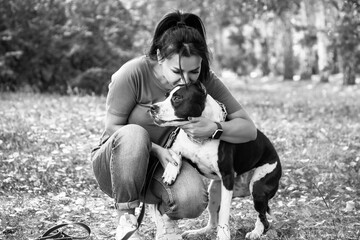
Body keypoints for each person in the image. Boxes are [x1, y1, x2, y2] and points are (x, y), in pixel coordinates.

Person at [91, 10, 257, 240]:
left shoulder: (203, 83)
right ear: (160, 56)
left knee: (193, 198)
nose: (186, 80)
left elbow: (249, 129)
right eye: (177, 72)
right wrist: (157, 150)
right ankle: (126, 222)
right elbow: (112, 127)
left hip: (164, 168)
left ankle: (165, 217)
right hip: (115, 166)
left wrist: (215, 128)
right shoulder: (132, 73)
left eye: (194, 71)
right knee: (134, 134)